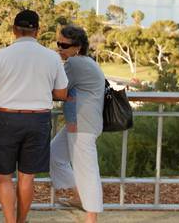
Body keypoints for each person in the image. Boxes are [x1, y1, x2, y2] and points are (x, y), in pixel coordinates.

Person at [0, 10, 68, 223]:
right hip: (38, 120)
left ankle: (10, 222)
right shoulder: (51, 57)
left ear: (14, 30)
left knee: (4, 177)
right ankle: (21, 220)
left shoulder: (1, 55)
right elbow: (62, 93)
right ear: (37, 30)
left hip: (7, 120)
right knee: (27, 178)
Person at [50, 25, 104, 222]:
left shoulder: (75, 64)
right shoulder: (86, 62)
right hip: (80, 122)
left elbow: (59, 90)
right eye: (58, 44)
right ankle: (79, 196)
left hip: (83, 124)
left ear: (78, 47)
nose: (60, 48)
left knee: (87, 171)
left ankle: (91, 217)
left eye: (64, 45)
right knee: (55, 153)